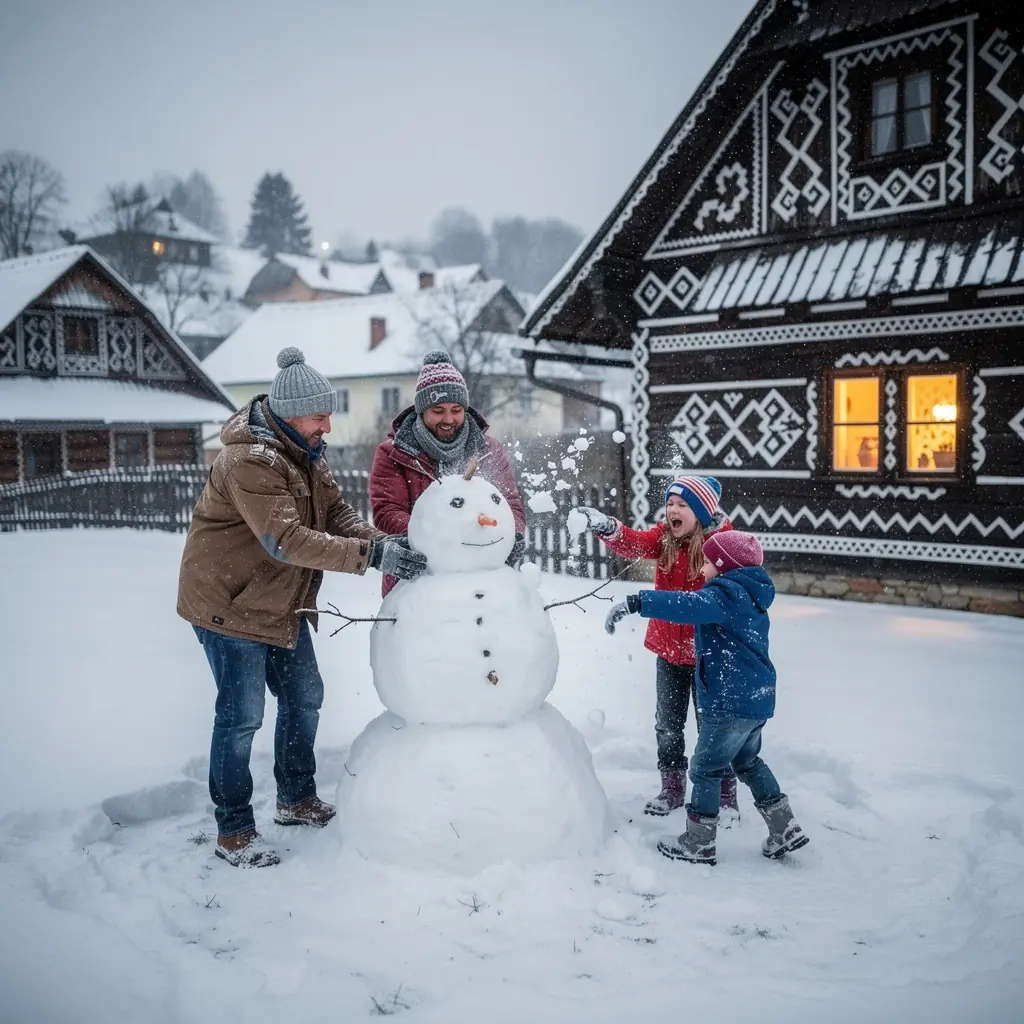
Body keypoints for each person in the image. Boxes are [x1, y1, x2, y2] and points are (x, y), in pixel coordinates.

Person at [177, 346, 428, 868]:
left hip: (279, 601)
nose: (328, 426)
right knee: (241, 717)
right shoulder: (251, 460)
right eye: (321, 416)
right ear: (291, 414)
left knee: (304, 696)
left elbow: (335, 512)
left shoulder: (305, 450)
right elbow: (285, 540)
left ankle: (295, 798)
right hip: (230, 604)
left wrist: (380, 542)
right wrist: (372, 555)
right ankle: (235, 831)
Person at [604, 530, 810, 866]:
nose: (702, 569)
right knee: (748, 762)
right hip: (756, 700)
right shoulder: (752, 596)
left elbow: (689, 604)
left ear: (722, 565)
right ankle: (785, 827)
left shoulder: (726, 594)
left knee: (704, 768)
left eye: (707, 562)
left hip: (727, 701)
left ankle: (699, 844)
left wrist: (638, 602)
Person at [573, 475, 737, 819]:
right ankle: (673, 788)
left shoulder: (721, 547)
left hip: (709, 653)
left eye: (682, 505)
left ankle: (724, 793)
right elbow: (634, 543)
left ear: (702, 512)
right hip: (669, 650)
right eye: (670, 504)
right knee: (667, 724)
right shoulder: (664, 537)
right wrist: (608, 527)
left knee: (712, 726)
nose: (672, 510)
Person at [370, 349, 527, 595]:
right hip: (416, 581)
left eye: (456, 409)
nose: (449, 419)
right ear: (421, 410)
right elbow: (387, 513)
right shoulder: (395, 453)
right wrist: (439, 539)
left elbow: (511, 506)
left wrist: (511, 534)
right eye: (438, 410)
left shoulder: (487, 449)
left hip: (484, 584)